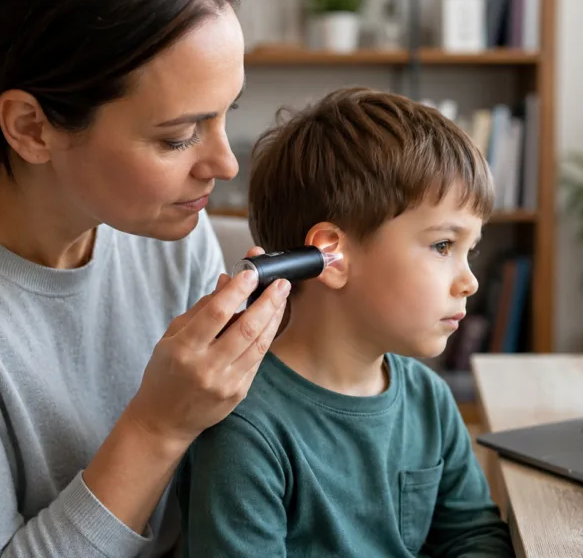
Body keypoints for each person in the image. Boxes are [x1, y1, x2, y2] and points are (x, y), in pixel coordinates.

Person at [0, 0, 292, 556]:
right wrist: (159, 427)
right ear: (32, 128)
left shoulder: (165, 227)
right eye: (178, 137)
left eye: (224, 115)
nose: (225, 164)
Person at [175, 87, 514, 557]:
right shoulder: (245, 427)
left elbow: (474, 537)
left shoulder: (428, 399)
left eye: (468, 251)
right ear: (331, 256)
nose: (469, 282)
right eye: (442, 246)